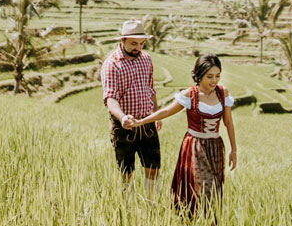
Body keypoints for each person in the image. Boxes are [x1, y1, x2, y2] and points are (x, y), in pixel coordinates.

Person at [127, 54, 237, 214]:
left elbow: (228, 122)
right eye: (210, 76)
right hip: (195, 147)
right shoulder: (190, 95)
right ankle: (189, 222)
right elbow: (166, 111)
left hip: (216, 147)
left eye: (218, 76)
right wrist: (141, 122)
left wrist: (234, 149)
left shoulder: (222, 93)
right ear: (199, 75)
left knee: (214, 188)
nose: (214, 81)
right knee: (199, 187)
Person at [101, 19, 162, 195]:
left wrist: (156, 114)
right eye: (134, 43)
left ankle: (152, 204)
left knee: (153, 167)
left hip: (146, 122)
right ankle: (126, 206)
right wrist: (123, 117)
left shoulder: (146, 59)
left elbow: (151, 88)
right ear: (123, 40)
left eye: (141, 43)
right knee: (125, 172)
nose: (138, 47)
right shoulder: (112, 64)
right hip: (124, 125)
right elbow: (110, 99)